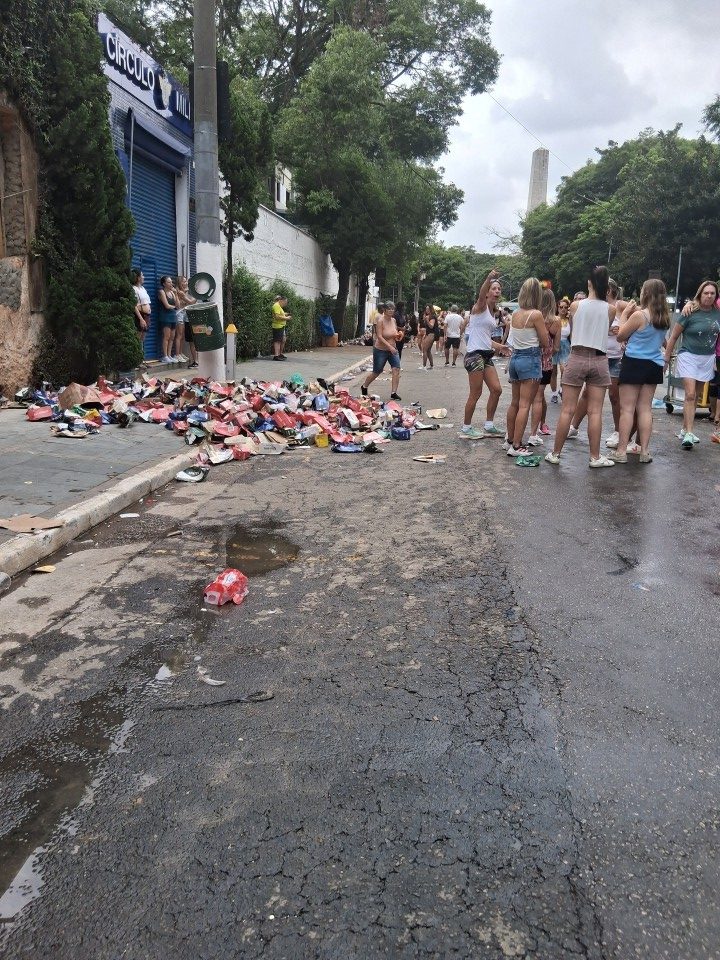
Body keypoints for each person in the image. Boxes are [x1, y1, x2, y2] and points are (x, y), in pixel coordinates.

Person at [545, 265, 616, 467]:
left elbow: (575, 331)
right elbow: (605, 329)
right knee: (595, 411)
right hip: (600, 359)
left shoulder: (576, 306)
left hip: (577, 356)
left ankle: (555, 454)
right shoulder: (611, 309)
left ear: (589, 283)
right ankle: (595, 457)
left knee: (567, 409)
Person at [608, 279, 670, 464]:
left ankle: (621, 451)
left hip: (634, 362)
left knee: (627, 409)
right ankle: (644, 451)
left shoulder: (640, 315)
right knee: (645, 409)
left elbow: (620, 336)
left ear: (646, 293)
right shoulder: (664, 318)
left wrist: (625, 313)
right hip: (653, 364)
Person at [566, 278, 626, 448]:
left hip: (615, 357)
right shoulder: (595, 305)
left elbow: (635, 314)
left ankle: (617, 431)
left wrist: (622, 329)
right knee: (586, 394)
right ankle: (574, 426)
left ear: (609, 290)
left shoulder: (619, 305)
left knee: (614, 396)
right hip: (598, 355)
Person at [460, 269, 510, 439]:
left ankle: (489, 425)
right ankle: (466, 429)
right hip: (474, 355)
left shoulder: (492, 313)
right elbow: (481, 295)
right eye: (494, 288)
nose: (497, 291)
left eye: (499, 289)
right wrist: (489, 278)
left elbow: (485, 339)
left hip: (486, 354)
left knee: (496, 390)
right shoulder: (479, 307)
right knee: (476, 393)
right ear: (487, 292)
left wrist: (501, 347)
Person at [504, 277, 550, 457]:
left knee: (515, 402)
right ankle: (516, 445)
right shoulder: (536, 314)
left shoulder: (515, 313)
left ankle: (510, 439)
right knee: (525, 405)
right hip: (530, 358)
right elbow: (545, 341)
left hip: (515, 358)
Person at [671, 280, 720, 447]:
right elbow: (673, 336)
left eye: (712, 293)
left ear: (716, 296)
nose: (709, 296)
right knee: (690, 394)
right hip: (688, 355)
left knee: (696, 396)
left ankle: (685, 429)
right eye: (706, 293)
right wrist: (666, 358)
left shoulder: (718, 312)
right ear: (700, 294)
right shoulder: (690, 310)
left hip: (707, 358)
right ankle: (690, 434)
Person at [528, 288, 560, 445]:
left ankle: (529, 430)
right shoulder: (556, 321)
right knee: (539, 398)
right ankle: (534, 432)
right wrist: (548, 355)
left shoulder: (534, 317)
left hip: (531, 360)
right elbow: (556, 347)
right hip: (547, 364)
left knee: (529, 398)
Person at [361, 301, 402, 400]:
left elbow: (394, 333)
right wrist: (390, 347)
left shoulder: (394, 320)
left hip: (393, 349)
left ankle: (393, 392)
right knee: (377, 371)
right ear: (384, 310)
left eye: (393, 308)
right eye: (389, 309)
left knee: (396, 369)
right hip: (381, 349)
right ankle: (364, 386)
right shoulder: (380, 321)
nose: (391, 310)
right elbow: (379, 336)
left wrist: (398, 335)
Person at [550, 297, 571, 402]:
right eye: (561, 307)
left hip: (565, 346)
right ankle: (554, 393)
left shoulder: (569, 320)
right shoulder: (553, 319)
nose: (563, 309)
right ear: (557, 308)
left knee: (564, 370)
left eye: (565, 307)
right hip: (554, 345)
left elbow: (572, 336)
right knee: (553, 371)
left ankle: (561, 390)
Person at [175, 275, 196, 366]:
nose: (186, 283)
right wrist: (196, 296)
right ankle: (177, 354)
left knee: (182, 335)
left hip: (184, 313)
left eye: (186, 281)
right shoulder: (180, 292)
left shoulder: (184, 292)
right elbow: (191, 302)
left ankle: (180, 353)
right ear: (179, 283)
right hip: (179, 313)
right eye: (184, 281)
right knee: (179, 335)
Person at [158, 275, 178, 363]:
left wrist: (176, 294)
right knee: (167, 336)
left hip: (173, 316)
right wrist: (174, 307)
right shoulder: (162, 292)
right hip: (165, 317)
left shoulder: (172, 293)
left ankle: (169, 355)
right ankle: (165, 355)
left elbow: (178, 305)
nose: (171, 284)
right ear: (164, 284)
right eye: (169, 282)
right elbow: (166, 305)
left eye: (171, 282)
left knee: (172, 337)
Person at [132, 269, 151, 350]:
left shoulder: (143, 288)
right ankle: (138, 359)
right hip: (140, 315)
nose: (144, 277)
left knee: (142, 338)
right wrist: (141, 319)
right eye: (142, 275)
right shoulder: (133, 288)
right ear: (138, 277)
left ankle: (141, 358)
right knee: (137, 338)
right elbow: (134, 305)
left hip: (147, 315)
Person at [271, 295, 292, 360]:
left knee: (283, 339)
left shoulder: (278, 306)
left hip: (281, 325)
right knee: (277, 341)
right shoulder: (276, 306)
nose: (285, 304)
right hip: (277, 326)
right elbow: (277, 317)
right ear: (281, 300)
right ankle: (276, 356)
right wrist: (286, 318)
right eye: (285, 303)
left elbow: (280, 314)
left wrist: (285, 314)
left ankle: (280, 354)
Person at [419, 305, 439, 370]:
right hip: (429, 333)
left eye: (428, 309)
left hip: (432, 334)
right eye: (426, 309)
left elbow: (431, 326)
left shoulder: (432, 317)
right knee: (428, 350)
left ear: (431, 309)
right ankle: (431, 365)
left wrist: (427, 320)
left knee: (424, 349)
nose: (426, 310)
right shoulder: (428, 316)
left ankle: (424, 366)